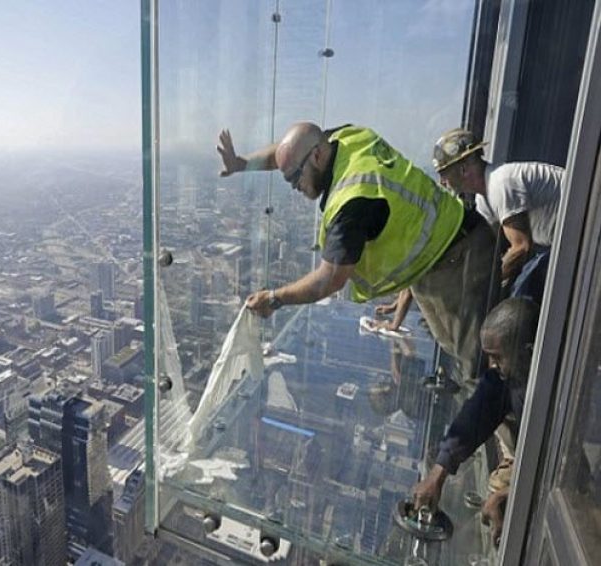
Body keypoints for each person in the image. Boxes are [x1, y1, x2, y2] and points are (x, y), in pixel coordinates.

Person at [218, 122, 499, 382]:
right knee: (470, 358)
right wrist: (242, 164)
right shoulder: (347, 138)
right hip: (444, 252)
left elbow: (329, 279)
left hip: (457, 261)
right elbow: (287, 151)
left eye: (294, 178)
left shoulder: (351, 201)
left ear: (316, 157)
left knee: (481, 368)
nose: (293, 187)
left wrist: (274, 299)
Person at [371, 128, 562, 331]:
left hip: (585, 238)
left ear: (463, 170)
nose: (442, 182)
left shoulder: (501, 183)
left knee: (520, 304)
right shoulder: (484, 198)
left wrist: (478, 292)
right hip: (563, 243)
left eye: (444, 173)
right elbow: (484, 255)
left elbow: (521, 248)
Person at [412, 297, 540, 546]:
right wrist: (438, 472)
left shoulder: (575, 393)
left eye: (498, 357)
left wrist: (511, 493)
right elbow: (481, 407)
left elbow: (569, 476)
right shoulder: (514, 377)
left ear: (529, 351)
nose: (492, 366)